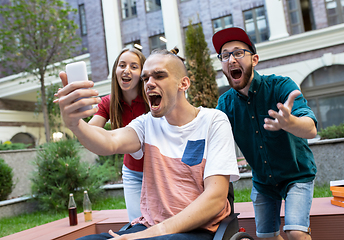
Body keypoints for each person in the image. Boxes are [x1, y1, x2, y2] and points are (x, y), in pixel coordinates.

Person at [55, 48, 240, 240]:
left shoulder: (214, 121)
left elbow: (216, 199)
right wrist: (74, 124)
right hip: (152, 226)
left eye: (159, 76)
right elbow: (109, 142)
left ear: (183, 84)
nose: (149, 84)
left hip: (200, 229)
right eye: (145, 78)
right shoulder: (146, 123)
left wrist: (152, 234)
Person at [212, 27, 317, 240]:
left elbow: (311, 128)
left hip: (297, 175)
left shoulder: (280, 86)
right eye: (225, 55)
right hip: (263, 181)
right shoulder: (224, 104)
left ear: (255, 59)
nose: (231, 59)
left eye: (238, 53)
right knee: (267, 237)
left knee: (296, 232)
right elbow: (212, 144)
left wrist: (289, 122)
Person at [88, 48, 149, 221]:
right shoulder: (108, 102)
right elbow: (91, 130)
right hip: (132, 172)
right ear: (115, 71)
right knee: (137, 222)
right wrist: (75, 120)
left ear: (142, 73)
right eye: (122, 65)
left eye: (134, 66)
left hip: (158, 168)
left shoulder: (151, 99)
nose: (126, 70)